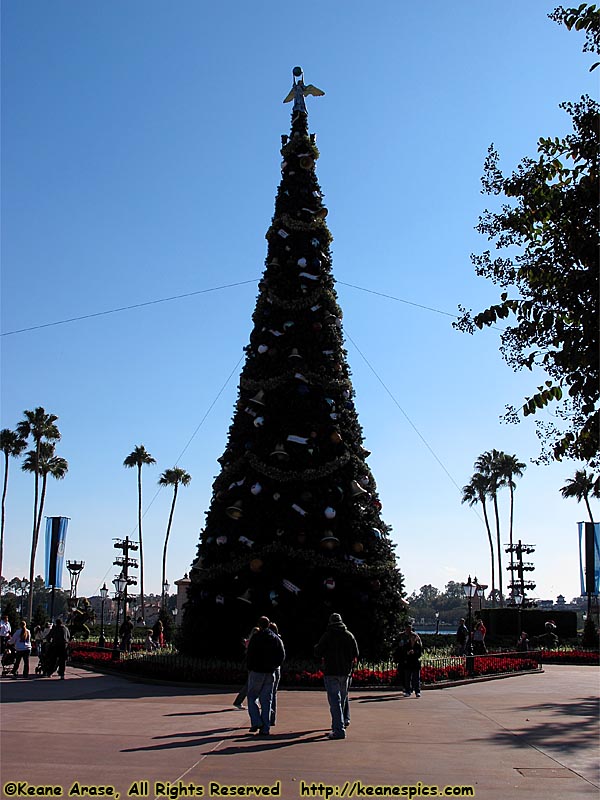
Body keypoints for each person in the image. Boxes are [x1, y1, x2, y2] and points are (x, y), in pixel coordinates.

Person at [314, 612, 359, 740]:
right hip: (345, 672)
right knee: (342, 699)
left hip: (331, 671)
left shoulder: (327, 636)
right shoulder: (348, 635)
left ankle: (338, 729)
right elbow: (355, 652)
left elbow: (318, 651)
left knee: (335, 701)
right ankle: (340, 723)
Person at [245, 616, 285, 736]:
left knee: (252, 696)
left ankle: (256, 720)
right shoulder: (275, 638)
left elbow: (250, 654)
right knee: (267, 700)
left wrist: (250, 667)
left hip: (257, 671)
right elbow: (282, 654)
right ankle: (266, 727)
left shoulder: (256, 638)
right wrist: (274, 665)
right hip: (269, 672)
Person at [233, 627, 259, 710]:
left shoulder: (250, 642)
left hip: (252, 665)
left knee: (252, 684)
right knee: (250, 684)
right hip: (253, 666)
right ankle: (239, 701)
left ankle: (240, 701)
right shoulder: (252, 642)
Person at [268, 622, 283, 726]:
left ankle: (268, 716)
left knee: (266, 694)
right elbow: (282, 655)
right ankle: (272, 718)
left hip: (269, 668)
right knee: (273, 694)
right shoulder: (279, 640)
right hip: (277, 668)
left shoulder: (268, 640)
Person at [403, 627, 423, 698]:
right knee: (408, 678)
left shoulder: (418, 646)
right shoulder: (407, 645)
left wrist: (414, 653)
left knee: (416, 678)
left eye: (414, 638)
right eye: (411, 638)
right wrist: (408, 653)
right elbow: (404, 653)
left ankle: (417, 691)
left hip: (415, 663)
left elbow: (420, 654)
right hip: (408, 663)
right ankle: (408, 691)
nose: (413, 639)